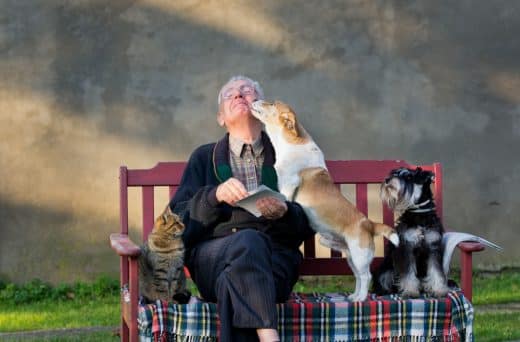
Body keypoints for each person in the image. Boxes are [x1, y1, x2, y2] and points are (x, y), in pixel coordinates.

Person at [169, 75, 314, 342]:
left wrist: (285, 213)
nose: (238, 95)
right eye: (230, 94)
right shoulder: (203, 158)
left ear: (262, 108)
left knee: (233, 281)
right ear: (221, 118)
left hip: (274, 262)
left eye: (247, 91)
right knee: (246, 243)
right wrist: (214, 196)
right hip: (213, 257)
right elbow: (177, 224)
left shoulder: (288, 158)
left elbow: (307, 224)